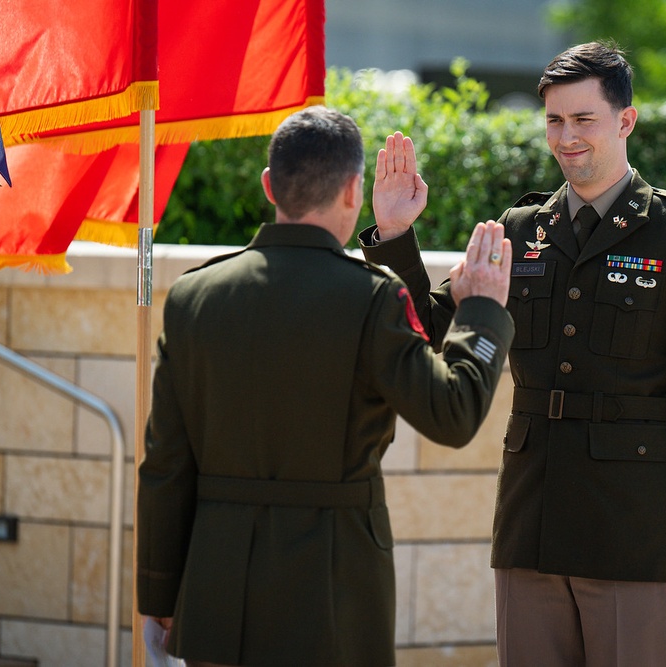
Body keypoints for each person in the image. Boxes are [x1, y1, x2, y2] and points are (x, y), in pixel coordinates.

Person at [360, 41, 666, 666]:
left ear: (626, 121)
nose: (566, 137)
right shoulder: (518, 232)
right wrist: (397, 235)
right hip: (530, 520)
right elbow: (425, 332)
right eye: (554, 121)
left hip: (631, 531)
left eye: (583, 119)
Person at [136, 105, 515, 667]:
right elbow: (453, 414)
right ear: (352, 192)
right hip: (334, 592)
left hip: (216, 589)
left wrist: (158, 592)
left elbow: (165, 464)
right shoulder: (370, 298)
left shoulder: (194, 297)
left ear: (269, 185)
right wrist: (481, 310)